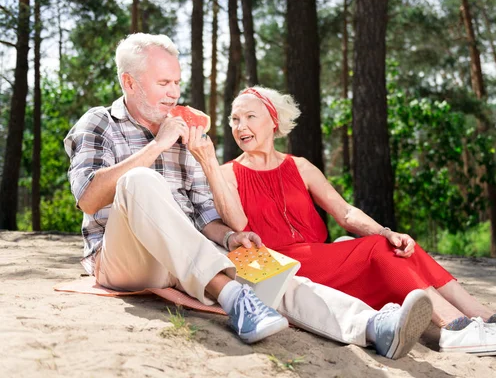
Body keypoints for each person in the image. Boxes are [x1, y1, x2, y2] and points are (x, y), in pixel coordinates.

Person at [64, 33, 433, 358]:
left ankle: (373, 326)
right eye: (163, 82)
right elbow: (88, 199)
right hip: (127, 260)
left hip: (189, 258)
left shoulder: (183, 130)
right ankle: (233, 297)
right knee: (139, 180)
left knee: (271, 270)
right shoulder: (99, 122)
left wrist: (229, 236)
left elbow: (204, 215)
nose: (174, 92)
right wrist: (158, 146)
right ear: (129, 82)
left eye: (176, 81)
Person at [190, 85, 496, 357]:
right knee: (375, 248)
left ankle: (488, 319)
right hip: (278, 266)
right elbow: (238, 225)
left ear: (273, 121)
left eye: (249, 116)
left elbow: (346, 213)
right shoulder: (225, 173)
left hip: (323, 260)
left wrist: (388, 231)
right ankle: (456, 330)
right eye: (234, 119)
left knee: (395, 246)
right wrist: (208, 164)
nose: (240, 126)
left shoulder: (301, 167)